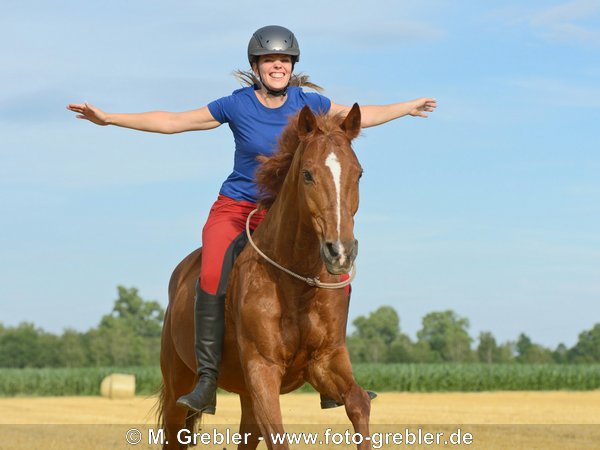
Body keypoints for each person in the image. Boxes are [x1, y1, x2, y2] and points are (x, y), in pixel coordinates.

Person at [68, 25, 437, 415]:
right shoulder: (236, 104)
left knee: (336, 267)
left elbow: (364, 115)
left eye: (283, 60)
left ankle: (331, 368)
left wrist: (406, 107)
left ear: (292, 66)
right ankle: (207, 378)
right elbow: (174, 121)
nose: (277, 66)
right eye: (269, 60)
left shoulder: (309, 104)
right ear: (256, 65)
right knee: (211, 272)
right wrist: (109, 118)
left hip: (286, 216)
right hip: (237, 208)